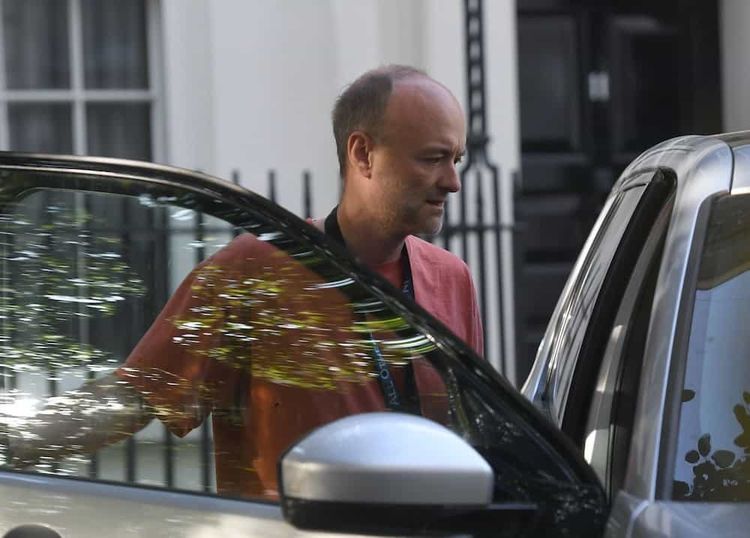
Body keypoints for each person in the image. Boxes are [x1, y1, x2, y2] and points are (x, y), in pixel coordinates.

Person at [6, 65, 483, 500]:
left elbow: (475, 432)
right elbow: (133, 399)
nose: (452, 181)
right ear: (363, 154)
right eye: (434, 158)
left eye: (456, 159)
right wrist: (14, 442)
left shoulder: (452, 278)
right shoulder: (253, 270)